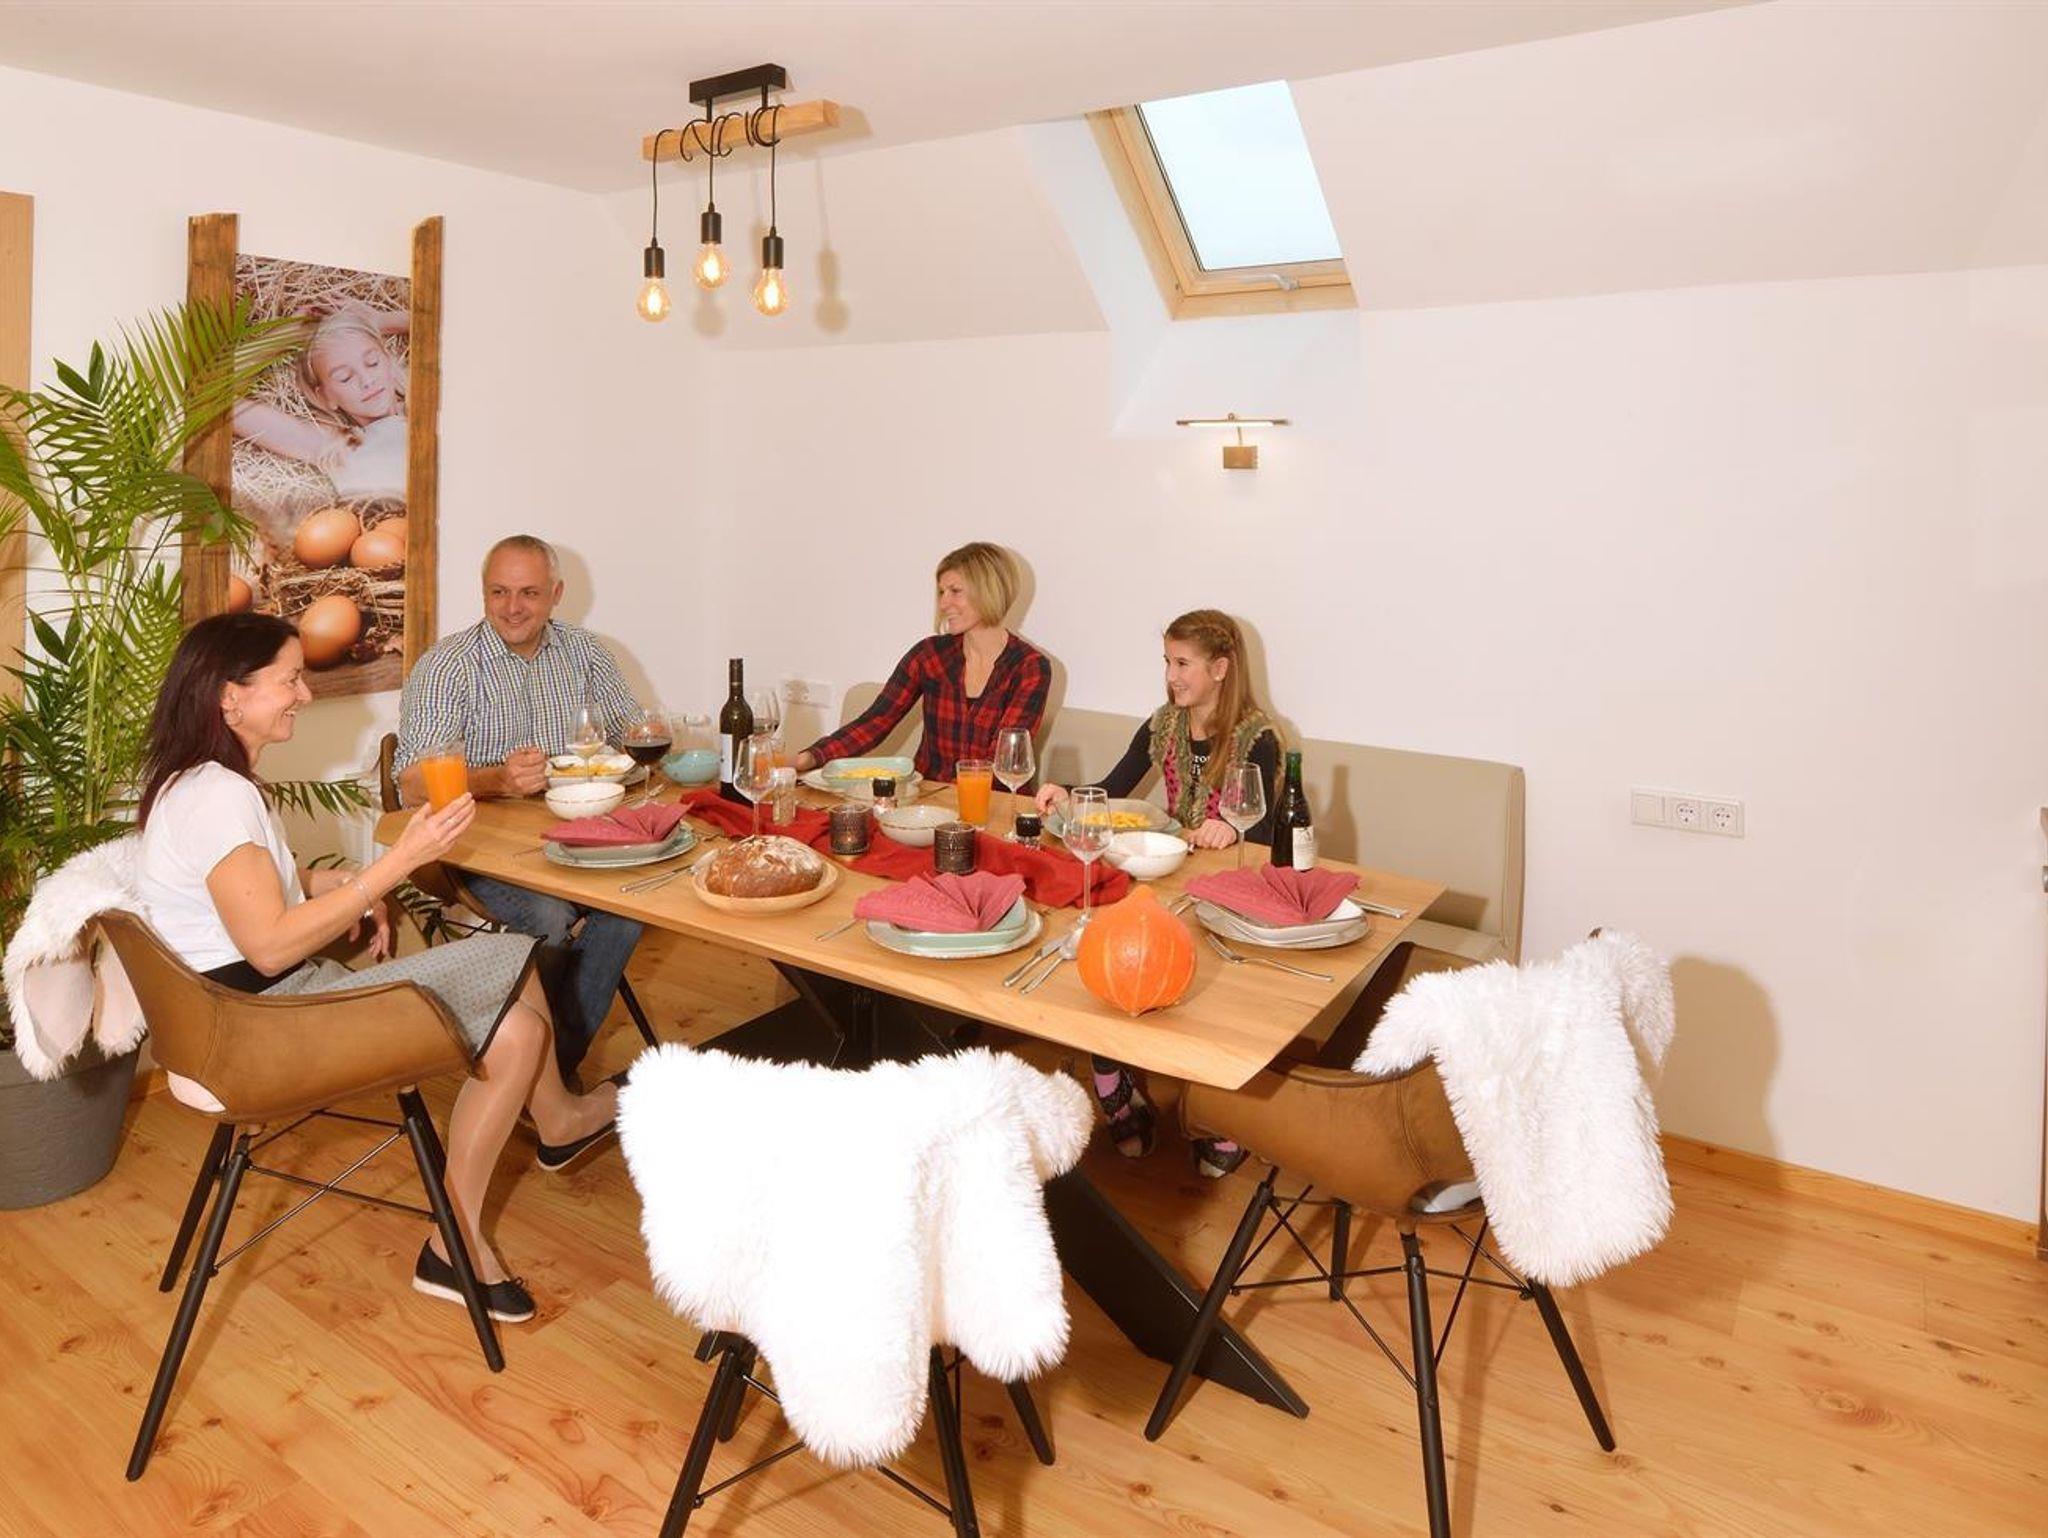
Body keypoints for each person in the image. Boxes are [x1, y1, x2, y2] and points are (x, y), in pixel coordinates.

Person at [136, 614, 619, 1325]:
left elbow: (237, 891)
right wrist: (392, 868)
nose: (305, 694)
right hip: (258, 1029)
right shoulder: (220, 796)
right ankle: (470, 1226)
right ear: (229, 697)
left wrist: (329, 884)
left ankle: (549, 1131)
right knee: (515, 971)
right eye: (289, 680)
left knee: (517, 1008)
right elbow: (269, 947)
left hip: (233, 1010)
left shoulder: (194, 783)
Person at [1035, 609, 1281, 1177]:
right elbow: (1112, 786)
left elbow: (1269, 830)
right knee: (1106, 948)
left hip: (1229, 885)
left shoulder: (1257, 738)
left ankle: (1220, 1113)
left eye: (1183, 664)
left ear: (1221, 668)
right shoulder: (1164, 724)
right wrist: (1068, 795)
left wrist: (1232, 828)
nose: (1171, 676)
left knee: (1216, 983)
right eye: (1168, 662)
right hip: (1168, 876)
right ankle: (1111, 1075)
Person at [395, 535, 646, 1082]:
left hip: (575, 836)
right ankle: (533, 1074)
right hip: (474, 847)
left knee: (627, 909)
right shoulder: (449, 665)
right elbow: (411, 785)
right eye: (499, 592)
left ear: (555, 593)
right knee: (550, 916)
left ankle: (544, 1069)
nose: (512, 607)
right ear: (483, 593)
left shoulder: (586, 653)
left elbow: (636, 734)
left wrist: (638, 750)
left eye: (529, 593)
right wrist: (497, 780)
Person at [795, 542, 1051, 785]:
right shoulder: (929, 655)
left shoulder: (1030, 668)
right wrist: (806, 759)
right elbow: (876, 721)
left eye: (955, 591)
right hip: (928, 802)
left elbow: (1002, 762)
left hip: (994, 804)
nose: (943, 603)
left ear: (989, 592)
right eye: (941, 592)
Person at [232, 307, 411, 500]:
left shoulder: (426, 404)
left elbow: (436, 324)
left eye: (372, 362)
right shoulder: (335, 448)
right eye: (345, 377)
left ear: (388, 361)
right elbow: (214, 398)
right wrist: (282, 336)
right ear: (324, 397)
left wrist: (383, 321)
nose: (367, 381)